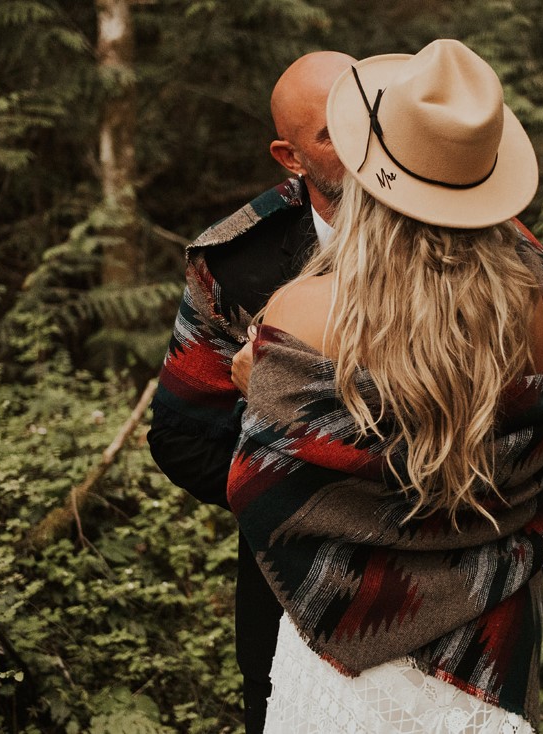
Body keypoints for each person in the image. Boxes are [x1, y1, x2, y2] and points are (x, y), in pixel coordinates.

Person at [228, 39, 543, 733]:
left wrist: (259, 388)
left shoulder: (303, 310)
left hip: (343, 656)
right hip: (484, 651)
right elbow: (522, 469)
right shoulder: (532, 306)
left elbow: (264, 490)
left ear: (368, 171)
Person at [147, 50, 355, 733]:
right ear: (289, 156)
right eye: (331, 133)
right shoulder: (236, 260)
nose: (360, 142)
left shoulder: (459, 227)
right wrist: (297, 482)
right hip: (293, 582)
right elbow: (180, 434)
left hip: (450, 577)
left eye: (370, 116)